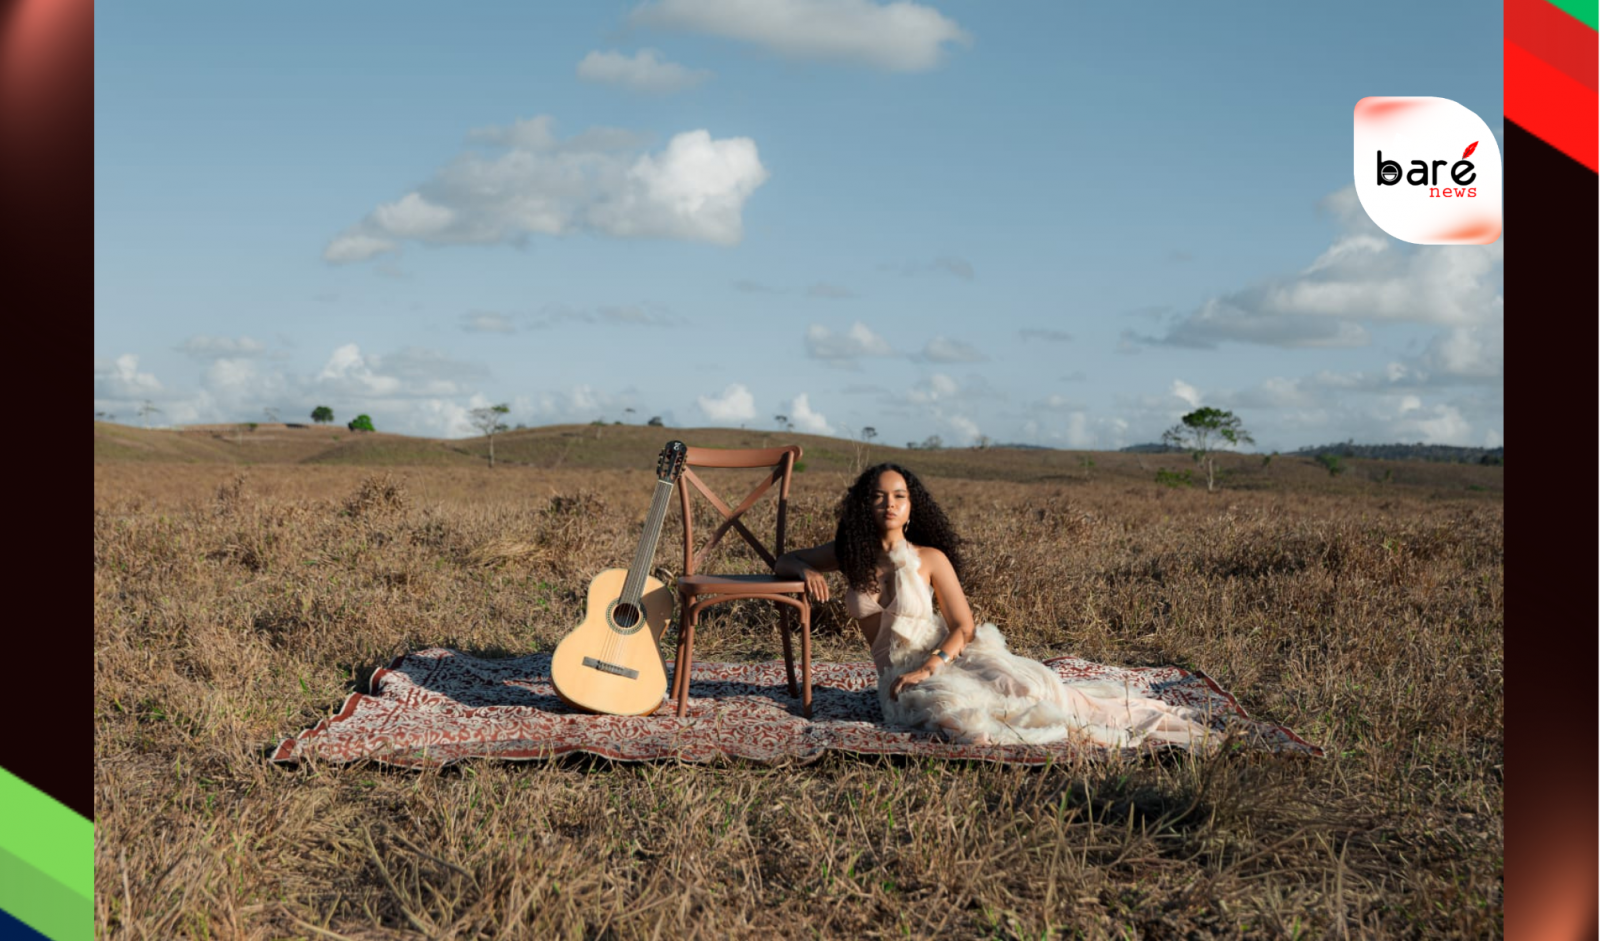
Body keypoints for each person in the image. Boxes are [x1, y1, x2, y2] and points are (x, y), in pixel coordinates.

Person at [775, 463, 1218, 749]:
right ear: (864, 506)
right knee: (961, 718)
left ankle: (1131, 714)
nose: (888, 504)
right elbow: (785, 560)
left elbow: (963, 626)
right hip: (896, 673)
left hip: (945, 654)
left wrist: (931, 665)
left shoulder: (931, 558)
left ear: (911, 508)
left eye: (898, 496)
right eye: (878, 496)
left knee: (1023, 686)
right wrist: (808, 572)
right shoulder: (849, 552)